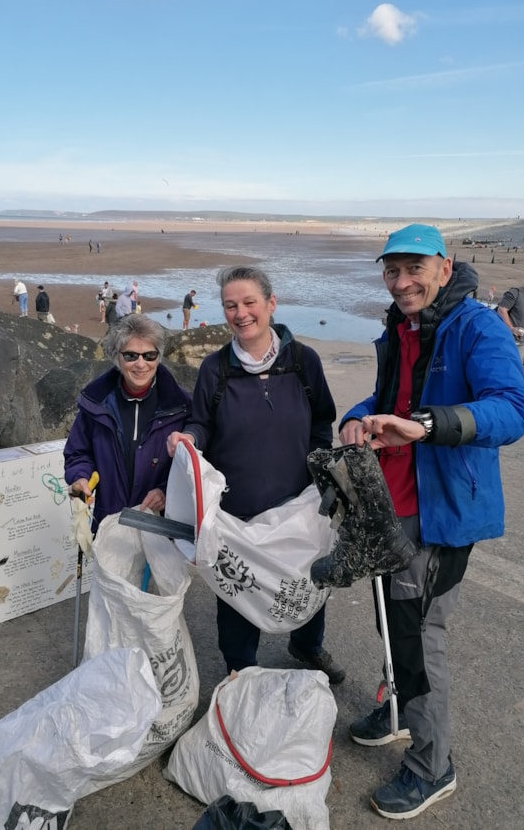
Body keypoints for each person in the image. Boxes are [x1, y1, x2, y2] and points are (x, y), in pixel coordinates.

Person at [337, 224, 524, 820]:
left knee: (421, 637)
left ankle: (432, 765)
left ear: (445, 268)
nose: (402, 281)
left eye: (414, 268)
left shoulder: (477, 327)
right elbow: (384, 399)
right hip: (390, 503)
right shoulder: (400, 329)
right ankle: (399, 710)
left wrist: (426, 425)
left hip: (442, 512)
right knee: (393, 623)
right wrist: (354, 417)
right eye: (392, 271)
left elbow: (512, 409)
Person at [167, 265, 345, 685]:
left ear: (271, 304)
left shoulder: (303, 361)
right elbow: (202, 424)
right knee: (236, 591)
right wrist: (188, 439)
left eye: (249, 303)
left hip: (299, 505)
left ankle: (308, 645)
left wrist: (318, 478)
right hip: (238, 510)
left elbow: (322, 421)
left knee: (306, 582)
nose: (241, 313)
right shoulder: (215, 369)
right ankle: (240, 667)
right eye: (231, 305)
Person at [64, 314, 191, 527]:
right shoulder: (95, 404)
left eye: (149, 355)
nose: (140, 364)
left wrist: (165, 490)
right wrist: (80, 477)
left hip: (162, 528)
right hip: (109, 523)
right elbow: (78, 453)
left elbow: (191, 467)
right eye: (131, 355)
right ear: (116, 357)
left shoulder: (183, 406)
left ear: (159, 357)